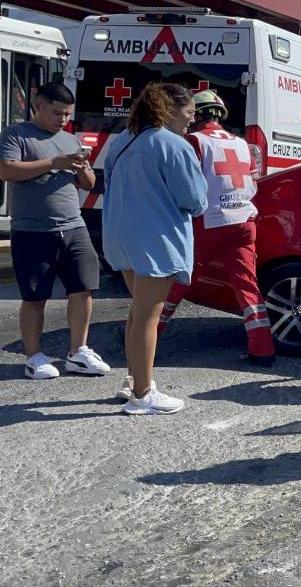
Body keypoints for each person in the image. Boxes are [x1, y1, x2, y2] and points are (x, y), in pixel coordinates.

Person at [102, 83, 207, 415]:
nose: (192, 120)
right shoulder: (173, 145)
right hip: (155, 240)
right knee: (148, 316)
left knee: (138, 312)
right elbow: (194, 199)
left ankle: (135, 380)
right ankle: (142, 394)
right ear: (171, 111)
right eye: (189, 113)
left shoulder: (123, 140)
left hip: (121, 236)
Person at [155, 89, 275, 365]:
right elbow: (253, 184)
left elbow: (185, 185)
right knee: (248, 288)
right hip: (243, 221)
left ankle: (147, 334)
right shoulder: (242, 144)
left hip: (208, 223)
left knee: (178, 282)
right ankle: (263, 349)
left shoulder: (194, 141)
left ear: (196, 115)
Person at [0, 82, 110, 380]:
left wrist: (81, 168)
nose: (63, 119)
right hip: (33, 230)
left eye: (67, 114)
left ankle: (78, 352)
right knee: (35, 296)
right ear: (39, 106)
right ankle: (34, 357)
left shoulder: (70, 139)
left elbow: (88, 184)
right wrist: (54, 162)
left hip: (74, 226)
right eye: (58, 113)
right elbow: (7, 170)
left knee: (83, 289)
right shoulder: (16, 134)